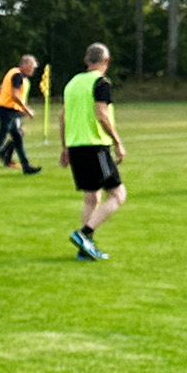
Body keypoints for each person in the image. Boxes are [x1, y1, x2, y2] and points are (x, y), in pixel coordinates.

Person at [60, 43, 127, 261]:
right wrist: (117, 142)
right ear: (105, 61)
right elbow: (101, 113)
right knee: (118, 195)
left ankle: (84, 251)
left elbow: (62, 117)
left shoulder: (72, 84)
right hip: (95, 145)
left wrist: (64, 148)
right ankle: (84, 234)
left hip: (76, 146)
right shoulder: (101, 83)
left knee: (91, 198)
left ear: (86, 60)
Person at [0, 55, 42, 177]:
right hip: (7, 112)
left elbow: (0, 89)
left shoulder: (14, 74)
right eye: (31, 67)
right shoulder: (17, 76)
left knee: (18, 138)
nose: (33, 70)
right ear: (24, 65)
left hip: (9, 111)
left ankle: (26, 166)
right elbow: (15, 95)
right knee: (0, 140)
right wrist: (27, 109)